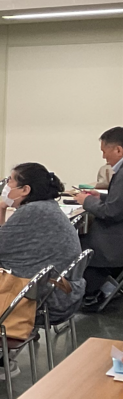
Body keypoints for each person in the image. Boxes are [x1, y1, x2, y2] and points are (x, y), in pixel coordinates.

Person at [0, 163, 87, 386]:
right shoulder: (46, 207)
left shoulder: (32, 212)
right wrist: (2, 207)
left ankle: (0, 361)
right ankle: (1, 356)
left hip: (47, 298)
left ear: (25, 189)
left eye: (10, 181)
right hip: (62, 291)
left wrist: (1, 207)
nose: (6, 185)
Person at [73, 125, 123, 305]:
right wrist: (99, 196)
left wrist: (86, 201)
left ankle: (86, 293)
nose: (104, 157)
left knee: (76, 242)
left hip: (115, 241)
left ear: (118, 150)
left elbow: (111, 212)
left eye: (104, 151)